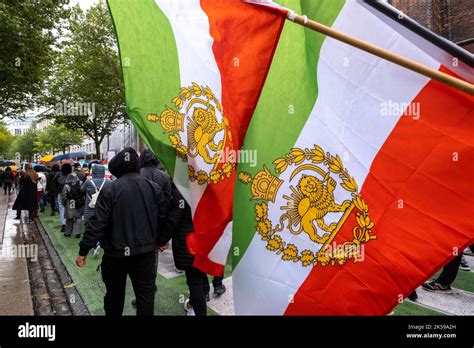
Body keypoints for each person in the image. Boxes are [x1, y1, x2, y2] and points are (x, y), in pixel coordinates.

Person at [76, 147, 168, 316]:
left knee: (114, 296)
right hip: (145, 253)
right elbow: (164, 217)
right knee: (146, 296)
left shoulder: (110, 189)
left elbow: (97, 223)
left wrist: (84, 250)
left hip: (115, 255)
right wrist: (161, 240)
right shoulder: (154, 188)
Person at [157, 182, 207, 316]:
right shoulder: (206, 188)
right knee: (198, 280)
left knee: (195, 282)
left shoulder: (183, 192)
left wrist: (162, 240)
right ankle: (191, 306)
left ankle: (196, 308)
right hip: (205, 240)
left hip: (189, 244)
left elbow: (173, 220)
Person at [81, 164, 111, 254]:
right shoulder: (108, 182)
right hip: (102, 209)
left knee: (89, 227)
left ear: (93, 171)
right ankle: (99, 243)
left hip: (89, 208)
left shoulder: (88, 182)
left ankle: (95, 244)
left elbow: (82, 190)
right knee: (102, 226)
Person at [61, 172, 85, 238]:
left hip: (71, 202)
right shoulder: (81, 183)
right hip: (79, 202)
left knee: (69, 218)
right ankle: (78, 233)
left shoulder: (66, 186)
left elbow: (64, 196)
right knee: (78, 217)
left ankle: (68, 232)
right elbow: (83, 192)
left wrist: (64, 203)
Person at [55, 163, 72, 232]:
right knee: (70, 208)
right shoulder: (72, 176)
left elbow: (56, 184)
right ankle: (70, 224)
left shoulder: (59, 175)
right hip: (71, 194)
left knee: (61, 208)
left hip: (61, 193)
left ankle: (63, 224)